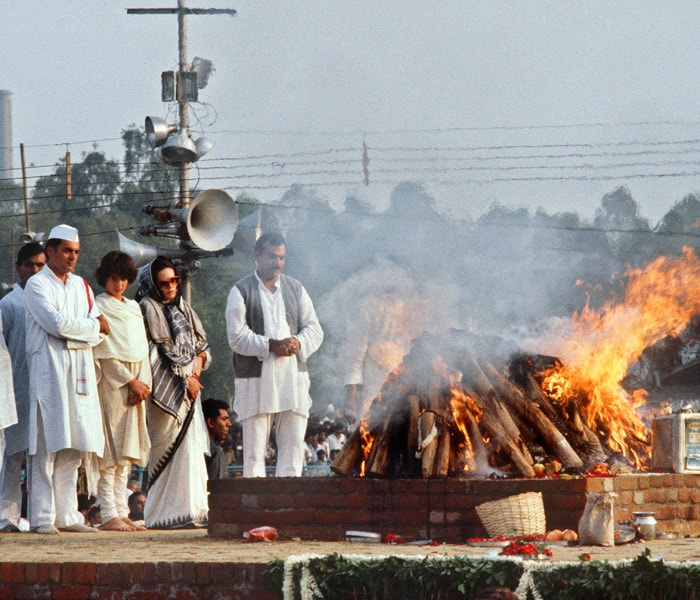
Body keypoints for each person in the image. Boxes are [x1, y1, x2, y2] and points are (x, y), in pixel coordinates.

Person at [23, 224, 108, 534]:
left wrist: (84, 330)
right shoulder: (37, 285)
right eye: (67, 251)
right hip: (49, 372)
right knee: (47, 447)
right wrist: (87, 330)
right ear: (51, 251)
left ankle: (68, 516)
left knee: (73, 445)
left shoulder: (82, 286)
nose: (73, 257)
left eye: (76, 252)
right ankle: (44, 518)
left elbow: (101, 327)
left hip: (80, 374)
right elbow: (55, 323)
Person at [225, 232, 324, 477]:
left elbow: (315, 329)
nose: (277, 263)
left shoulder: (295, 288)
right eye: (272, 256)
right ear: (256, 256)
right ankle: (256, 508)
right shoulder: (241, 290)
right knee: (254, 452)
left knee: (292, 450)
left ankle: (288, 508)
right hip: (257, 379)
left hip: (293, 376)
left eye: (281, 258)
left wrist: (296, 343)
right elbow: (236, 337)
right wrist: (271, 345)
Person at [138, 256, 210, 529]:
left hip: (191, 388)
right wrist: (184, 379)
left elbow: (201, 349)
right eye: (163, 283)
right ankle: (162, 515)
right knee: (166, 447)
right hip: (165, 392)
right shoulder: (146, 309)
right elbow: (153, 354)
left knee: (190, 452)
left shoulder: (185, 309)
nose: (169, 287)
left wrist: (194, 375)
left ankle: (192, 511)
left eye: (173, 281)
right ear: (153, 284)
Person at [93, 251, 151, 532]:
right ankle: (107, 513)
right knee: (110, 454)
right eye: (114, 278)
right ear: (105, 278)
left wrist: (142, 385)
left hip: (136, 388)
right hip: (112, 385)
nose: (119, 284)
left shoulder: (133, 308)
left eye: (124, 279)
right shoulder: (98, 305)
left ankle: (123, 511)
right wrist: (129, 381)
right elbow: (104, 352)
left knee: (126, 455)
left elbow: (141, 349)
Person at [0, 242, 45, 533]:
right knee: (13, 456)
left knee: (42, 456)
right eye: (30, 264)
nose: (35, 270)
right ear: (18, 268)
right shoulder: (8, 304)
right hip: (16, 389)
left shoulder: (49, 300)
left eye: (41, 265)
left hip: (44, 389)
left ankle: (43, 517)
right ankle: (7, 517)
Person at [202, 398, 232, 480]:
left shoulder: (195, 447)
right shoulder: (215, 452)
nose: (229, 424)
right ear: (211, 422)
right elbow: (215, 489)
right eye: (224, 419)